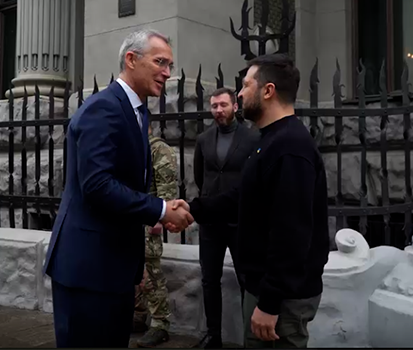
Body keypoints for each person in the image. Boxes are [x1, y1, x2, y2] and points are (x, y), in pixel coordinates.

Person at [43, 29, 193, 348]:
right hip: (88, 271)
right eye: (160, 62)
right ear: (131, 59)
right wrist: (161, 210)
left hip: (114, 269)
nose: (168, 72)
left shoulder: (137, 111)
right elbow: (97, 185)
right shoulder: (103, 107)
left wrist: (134, 265)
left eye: (170, 64)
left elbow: (126, 184)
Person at [171, 54, 329, 348]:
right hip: (266, 290)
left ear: (268, 90)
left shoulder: (290, 147)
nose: (240, 93)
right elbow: (243, 197)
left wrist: (269, 303)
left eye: (246, 85)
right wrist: (194, 208)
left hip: (282, 300)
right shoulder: (269, 140)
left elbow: (291, 233)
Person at [193, 87, 259, 348]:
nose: (218, 110)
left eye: (223, 105)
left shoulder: (252, 138)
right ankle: (213, 336)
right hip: (211, 223)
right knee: (209, 280)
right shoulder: (203, 139)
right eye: (214, 106)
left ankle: (249, 338)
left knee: (246, 280)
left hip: (240, 221)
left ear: (235, 107)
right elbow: (200, 177)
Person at [133, 117, 176, 348]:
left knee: (151, 273)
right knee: (133, 272)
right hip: (131, 218)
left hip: (150, 218)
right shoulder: (132, 147)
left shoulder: (159, 149)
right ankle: (138, 315)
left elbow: (167, 187)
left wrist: (160, 218)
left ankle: (160, 324)